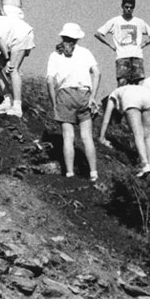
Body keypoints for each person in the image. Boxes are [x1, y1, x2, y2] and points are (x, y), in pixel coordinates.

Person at [45, 23, 101, 181]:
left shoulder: (55, 55)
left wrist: (54, 102)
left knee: (68, 137)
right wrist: (93, 96)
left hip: (65, 94)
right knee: (87, 137)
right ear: (77, 38)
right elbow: (97, 73)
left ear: (63, 37)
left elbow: (49, 81)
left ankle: (69, 173)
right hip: (84, 94)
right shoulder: (85, 52)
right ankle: (93, 173)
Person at [94, 0, 150, 86]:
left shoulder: (139, 22)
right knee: (122, 82)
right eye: (126, 7)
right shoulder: (115, 21)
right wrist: (110, 45)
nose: (129, 9)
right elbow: (98, 33)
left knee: (137, 84)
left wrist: (145, 43)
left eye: (131, 7)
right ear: (122, 6)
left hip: (136, 56)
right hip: (122, 56)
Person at [98, 84, 150, 178]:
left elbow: (106, 118)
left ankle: (144, 164)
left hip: (131, 98)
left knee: (138, 134)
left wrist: (102, 137)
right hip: (149, 96)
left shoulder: (112, 96)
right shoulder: (125, 89)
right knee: (149, 135)